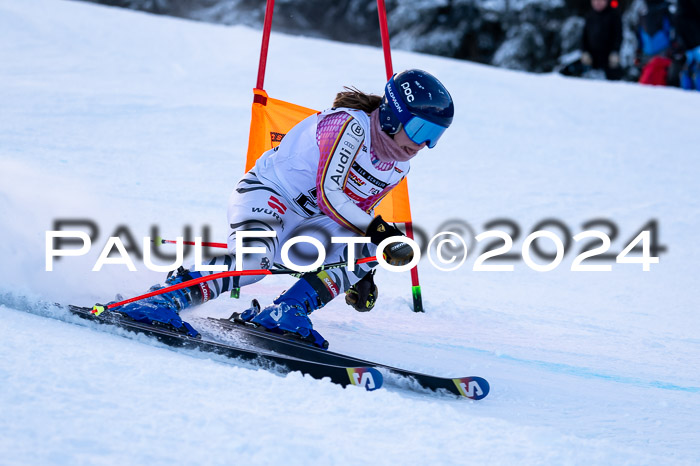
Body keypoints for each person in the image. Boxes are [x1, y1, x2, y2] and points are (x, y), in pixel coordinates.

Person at [100, 69, 454, 348]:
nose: (423, 144)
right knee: (252, 265)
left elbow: (356, 217)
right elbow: (332, 193)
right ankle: (161, 300)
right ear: (392, 114)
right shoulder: (349, 125)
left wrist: (364, 272)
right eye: (420, 128)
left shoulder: (398, 166)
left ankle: (287, 311)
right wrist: (381, 233)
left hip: (311, 224)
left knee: (365, 251)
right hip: (268, 196)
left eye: (434, 136)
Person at [580, 0, 623, 80]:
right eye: (595, 1)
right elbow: (584, 37)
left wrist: (615, 52)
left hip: (609, 60)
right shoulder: (590, 16)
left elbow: (618, 36)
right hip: (592, 59)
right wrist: (584, 52)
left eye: (600, 0)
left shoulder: (614, 15)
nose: (597, 3)